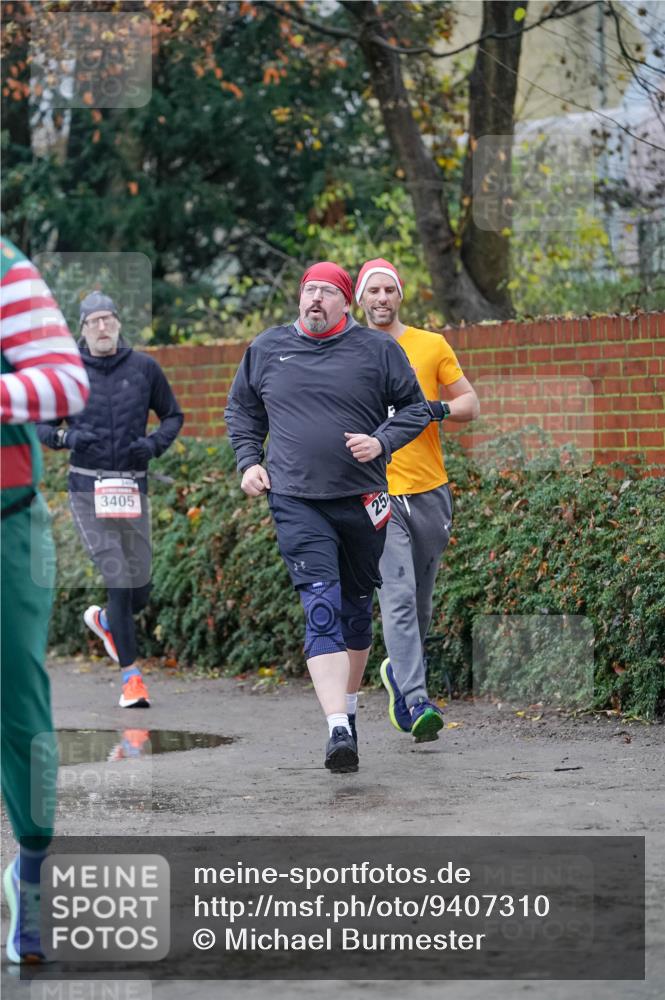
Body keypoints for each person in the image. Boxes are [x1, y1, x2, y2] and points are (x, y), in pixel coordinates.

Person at [224, 261, 430, 773]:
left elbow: (415, 408)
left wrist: (381, 441)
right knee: (321, 607)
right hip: (295, 499)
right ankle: (337, 727)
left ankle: (351, 710)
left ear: (345, 301)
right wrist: (249, 461)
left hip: (363, 500)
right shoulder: (268, 348)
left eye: (326, 292)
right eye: (308, 291)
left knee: (357, 612)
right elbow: (243, 411)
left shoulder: (377, 350)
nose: (315, 299)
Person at [1, 236, 90, 962]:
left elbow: (66, 382)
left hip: (5, 529)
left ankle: (30, 878)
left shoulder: (5, 271)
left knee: (17, 703)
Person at [37, 291, 183, 708]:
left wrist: (154, 445)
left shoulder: (144, 369)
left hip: (132, 488)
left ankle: (104, 622)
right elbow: (41, 428)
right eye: (93, 321)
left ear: (118, 323)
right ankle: (131, 680)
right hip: (87, 489)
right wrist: (69, 437)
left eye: (108, 319)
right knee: (118, 579)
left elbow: (173, 415)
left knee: (140, 590)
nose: (102, 327)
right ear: (82, 330)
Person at [355, 258, 480, 742]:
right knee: (399, 600)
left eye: (389, 290)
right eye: (373, 291)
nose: (381, 298)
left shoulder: (430, 346)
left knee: (421, 605)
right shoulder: (350, 350)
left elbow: (470, 403)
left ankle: (397, 672)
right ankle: (416, 699)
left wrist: (436, 409)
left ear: (399, 295)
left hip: (430, 492)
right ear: (360, 299)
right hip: (377, 493)